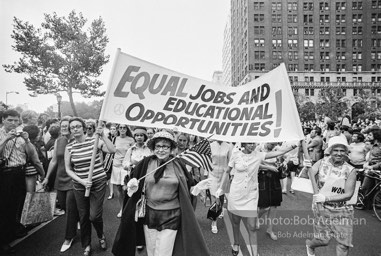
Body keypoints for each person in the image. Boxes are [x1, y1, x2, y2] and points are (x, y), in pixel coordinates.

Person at [112, 131, 209, 256]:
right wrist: (131, 186)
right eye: (158, 146)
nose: (161, 150)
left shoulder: (178, 164)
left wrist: (196, 189)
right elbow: (129, 183)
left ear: (171, 149)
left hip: (172, 215)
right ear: (153, 148)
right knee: (151, 251)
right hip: (149, 214)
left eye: (165, 146)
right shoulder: (145, 163)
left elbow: (187, 189)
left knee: (164, 253)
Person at [217, 141, 298, 256]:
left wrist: (292, 146)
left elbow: (277, 153)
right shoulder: (235, 154)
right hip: (236, 193)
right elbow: (227, 171)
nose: (252, 145)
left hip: (251, 195)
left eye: (253, 143)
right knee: (236, 222)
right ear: (243, 144)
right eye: (249, 143)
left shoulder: (258, 154)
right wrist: (221, 188)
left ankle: (254, 254)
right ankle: (236, 243)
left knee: (252, 227)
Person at [64, 117, 116, 256]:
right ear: (70, 130)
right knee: (84, 216)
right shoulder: (69, 147)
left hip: (98, 182)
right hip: (80, 185)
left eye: (78, 126)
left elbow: (112, 150)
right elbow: (68, 169)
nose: (75, 129)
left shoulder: (94, 141)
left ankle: (101, 235)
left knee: (94, 216)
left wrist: (103, 135)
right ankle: (86, 245)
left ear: (83, 128)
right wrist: (81, 181)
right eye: (72, 127)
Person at [306, 136, 357, 256]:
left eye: (342, 150)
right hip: (322, 208)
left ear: (346, 152)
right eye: (336, 150)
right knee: (323, 240)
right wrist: (307, 166)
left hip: (343, 210)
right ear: (330, 150)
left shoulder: (350, 170)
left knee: (343, 244)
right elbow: (310, 176)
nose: (339, 153)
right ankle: (309, 245)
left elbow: (348, 194)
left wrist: (327, 197)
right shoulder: (321, 162)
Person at [0, 109, 39, 254]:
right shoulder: (1, 134)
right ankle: (3, 240)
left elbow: (31, 153)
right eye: (10, 120)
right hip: (5, 174)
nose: (14, 123)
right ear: (3, 120)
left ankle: (11, 233)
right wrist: (5, 139)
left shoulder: (22, 134)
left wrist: (28, 140)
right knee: (4, 207)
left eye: (16, 120)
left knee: (16, 205)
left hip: (20, 172)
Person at [42, 116, 80, 253]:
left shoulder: (78, 141)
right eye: (61, 125)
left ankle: (69, 237)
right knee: (64, 207)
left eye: (66, 125)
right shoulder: (59, 140)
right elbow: (53, 161)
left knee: (69, 209)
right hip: (59, 179)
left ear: (71, 127)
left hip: (73, 179)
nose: (63, 127)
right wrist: (47, 178)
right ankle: (78, 219)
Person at [257, 142, 284, 241]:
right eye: (271, 144)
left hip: (275, 178)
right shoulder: (258, 148)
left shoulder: (278, 149)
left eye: (274, 144)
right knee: (265, 206)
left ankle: (269, 230)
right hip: (263, 177)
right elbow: (255, 164)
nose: (273, 146)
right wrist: (268, 167)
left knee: (274, 206)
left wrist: (282, 163)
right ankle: (256, 217)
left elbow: (286, 157)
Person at [110, 124, 135, 218]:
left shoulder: (131, 140)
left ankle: (128, 208)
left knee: (126, 188)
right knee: (119, 189)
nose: (122, 129)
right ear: (118, 129)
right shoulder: (114, 139)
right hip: (116, 165)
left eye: (124, 127)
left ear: (127, 129)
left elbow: (134, 152)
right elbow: (111, 150)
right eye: (120, 127)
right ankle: (121, 208)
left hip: (126, 166)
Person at [209, 140, 233, 234]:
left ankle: (220, 209)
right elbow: (207, 160)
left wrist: (231, 175)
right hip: (212, 174)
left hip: (224, 174)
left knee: (221, 196)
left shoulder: (228, 146)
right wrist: (206, 173)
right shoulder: (210, 145)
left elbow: (231, 161)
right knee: (215, 197)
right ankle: (214, 222)